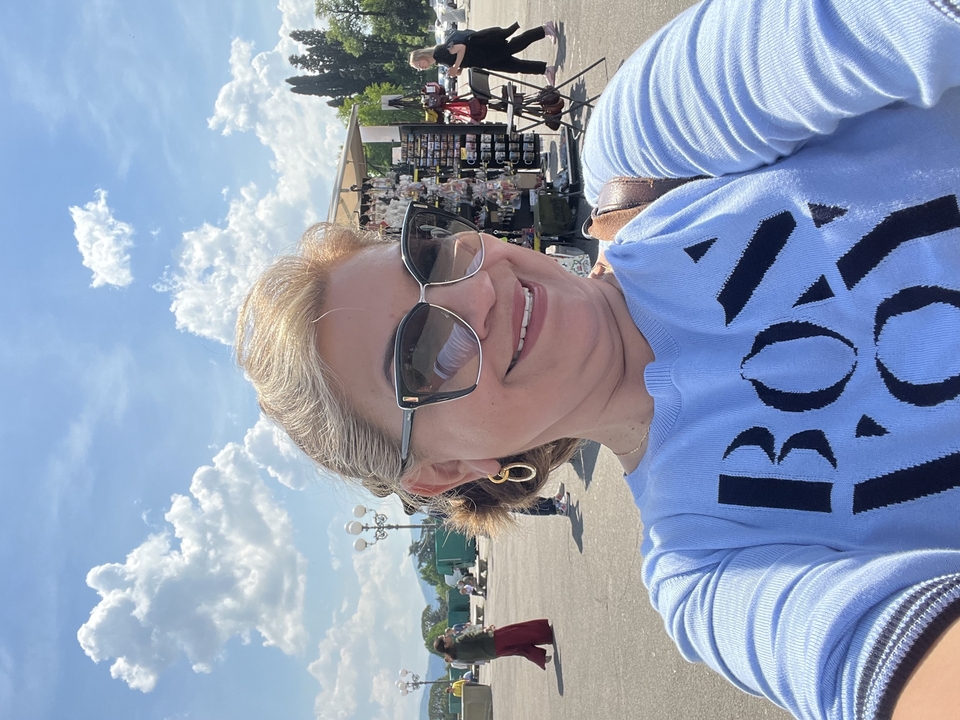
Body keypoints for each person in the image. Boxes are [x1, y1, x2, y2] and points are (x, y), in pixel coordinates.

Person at [235, 0, 960, 717]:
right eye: (427, 350)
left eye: (434, 254)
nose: (480, 292)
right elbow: (879, 663)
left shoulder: (645, 143)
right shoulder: (712, 569)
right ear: (449, 470)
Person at [409, 22, 558, 84]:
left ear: (421, 57)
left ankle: (544, 29)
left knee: (515, 45)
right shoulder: (439, 59)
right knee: (513, 66)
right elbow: (460, 59)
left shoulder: (439, 52)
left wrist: (455, 66)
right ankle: (544, 70)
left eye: (418, 64)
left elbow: (461, 48)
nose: (421, 67)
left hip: (484, 52)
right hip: (484, 59)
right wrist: (458, 70)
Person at [433, 619, 554, 669]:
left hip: (494, 653)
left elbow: (476, 661)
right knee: (518, 632)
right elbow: (473, 636)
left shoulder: (458, 658)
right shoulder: (459, 641)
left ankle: (542, 658)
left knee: (520, 648)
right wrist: (486, 630)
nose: (446, 636)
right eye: (444, 638)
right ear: (446, 645)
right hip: (493, 640)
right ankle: (544, 631)